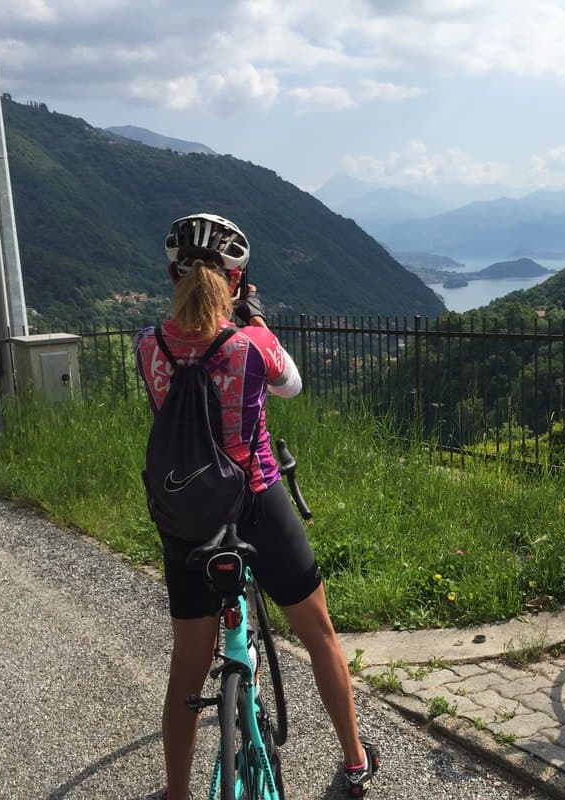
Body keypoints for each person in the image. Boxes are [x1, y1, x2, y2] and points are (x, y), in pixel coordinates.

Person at [134, 213, 379, 798]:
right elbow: (291, 384)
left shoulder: (150, 346)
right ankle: (354, 761)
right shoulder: (250, 345)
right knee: (318, 634)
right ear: (237, 282)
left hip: (186, 518)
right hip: (256, 504)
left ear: (174, 276)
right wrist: (256, 319)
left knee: (187, 666)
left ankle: (176, 793)